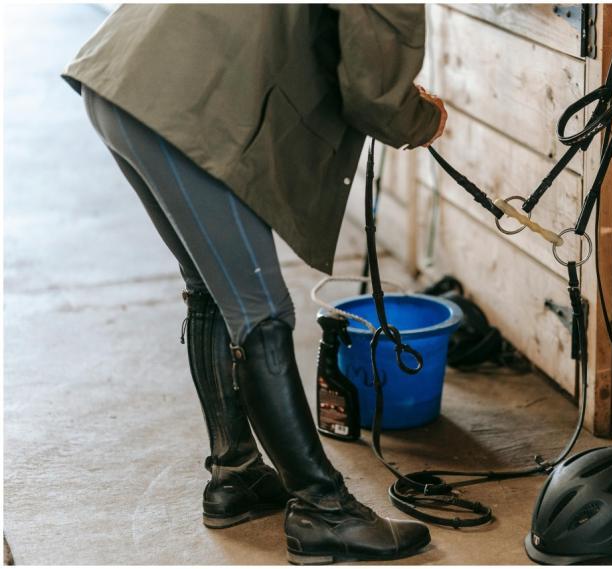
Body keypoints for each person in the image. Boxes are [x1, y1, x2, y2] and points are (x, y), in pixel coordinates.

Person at [61, 4, 447, 564]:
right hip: (176, 103)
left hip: (125, 74)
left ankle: (236, 475)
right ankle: (322, 510)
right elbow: (375, 96)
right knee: (260, 312)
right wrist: (425, 119)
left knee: (211, 288)